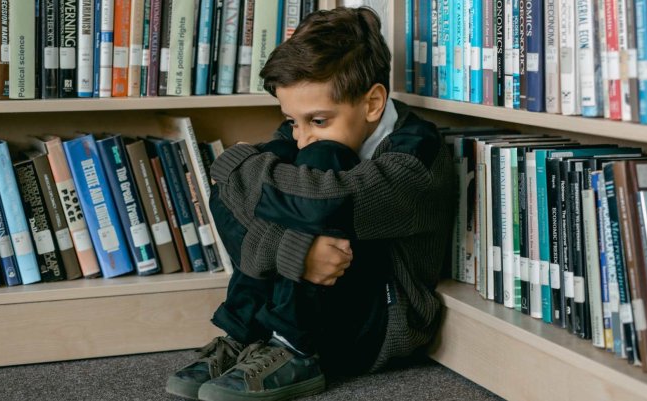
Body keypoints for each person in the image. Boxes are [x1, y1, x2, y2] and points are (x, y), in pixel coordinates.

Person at [166, 6, 456, 401]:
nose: (301, 136)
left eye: (317, 120)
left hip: (382, 325)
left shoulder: (417, 154)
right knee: (285, 189)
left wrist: (239, 166)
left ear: (372, 103)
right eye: (291, 120)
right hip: (325, 307)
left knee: (319, 166)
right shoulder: (306, 130)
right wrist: (299, 255)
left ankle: (293, 348)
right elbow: (224, 190)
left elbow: (323, 201)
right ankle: (245, 335)